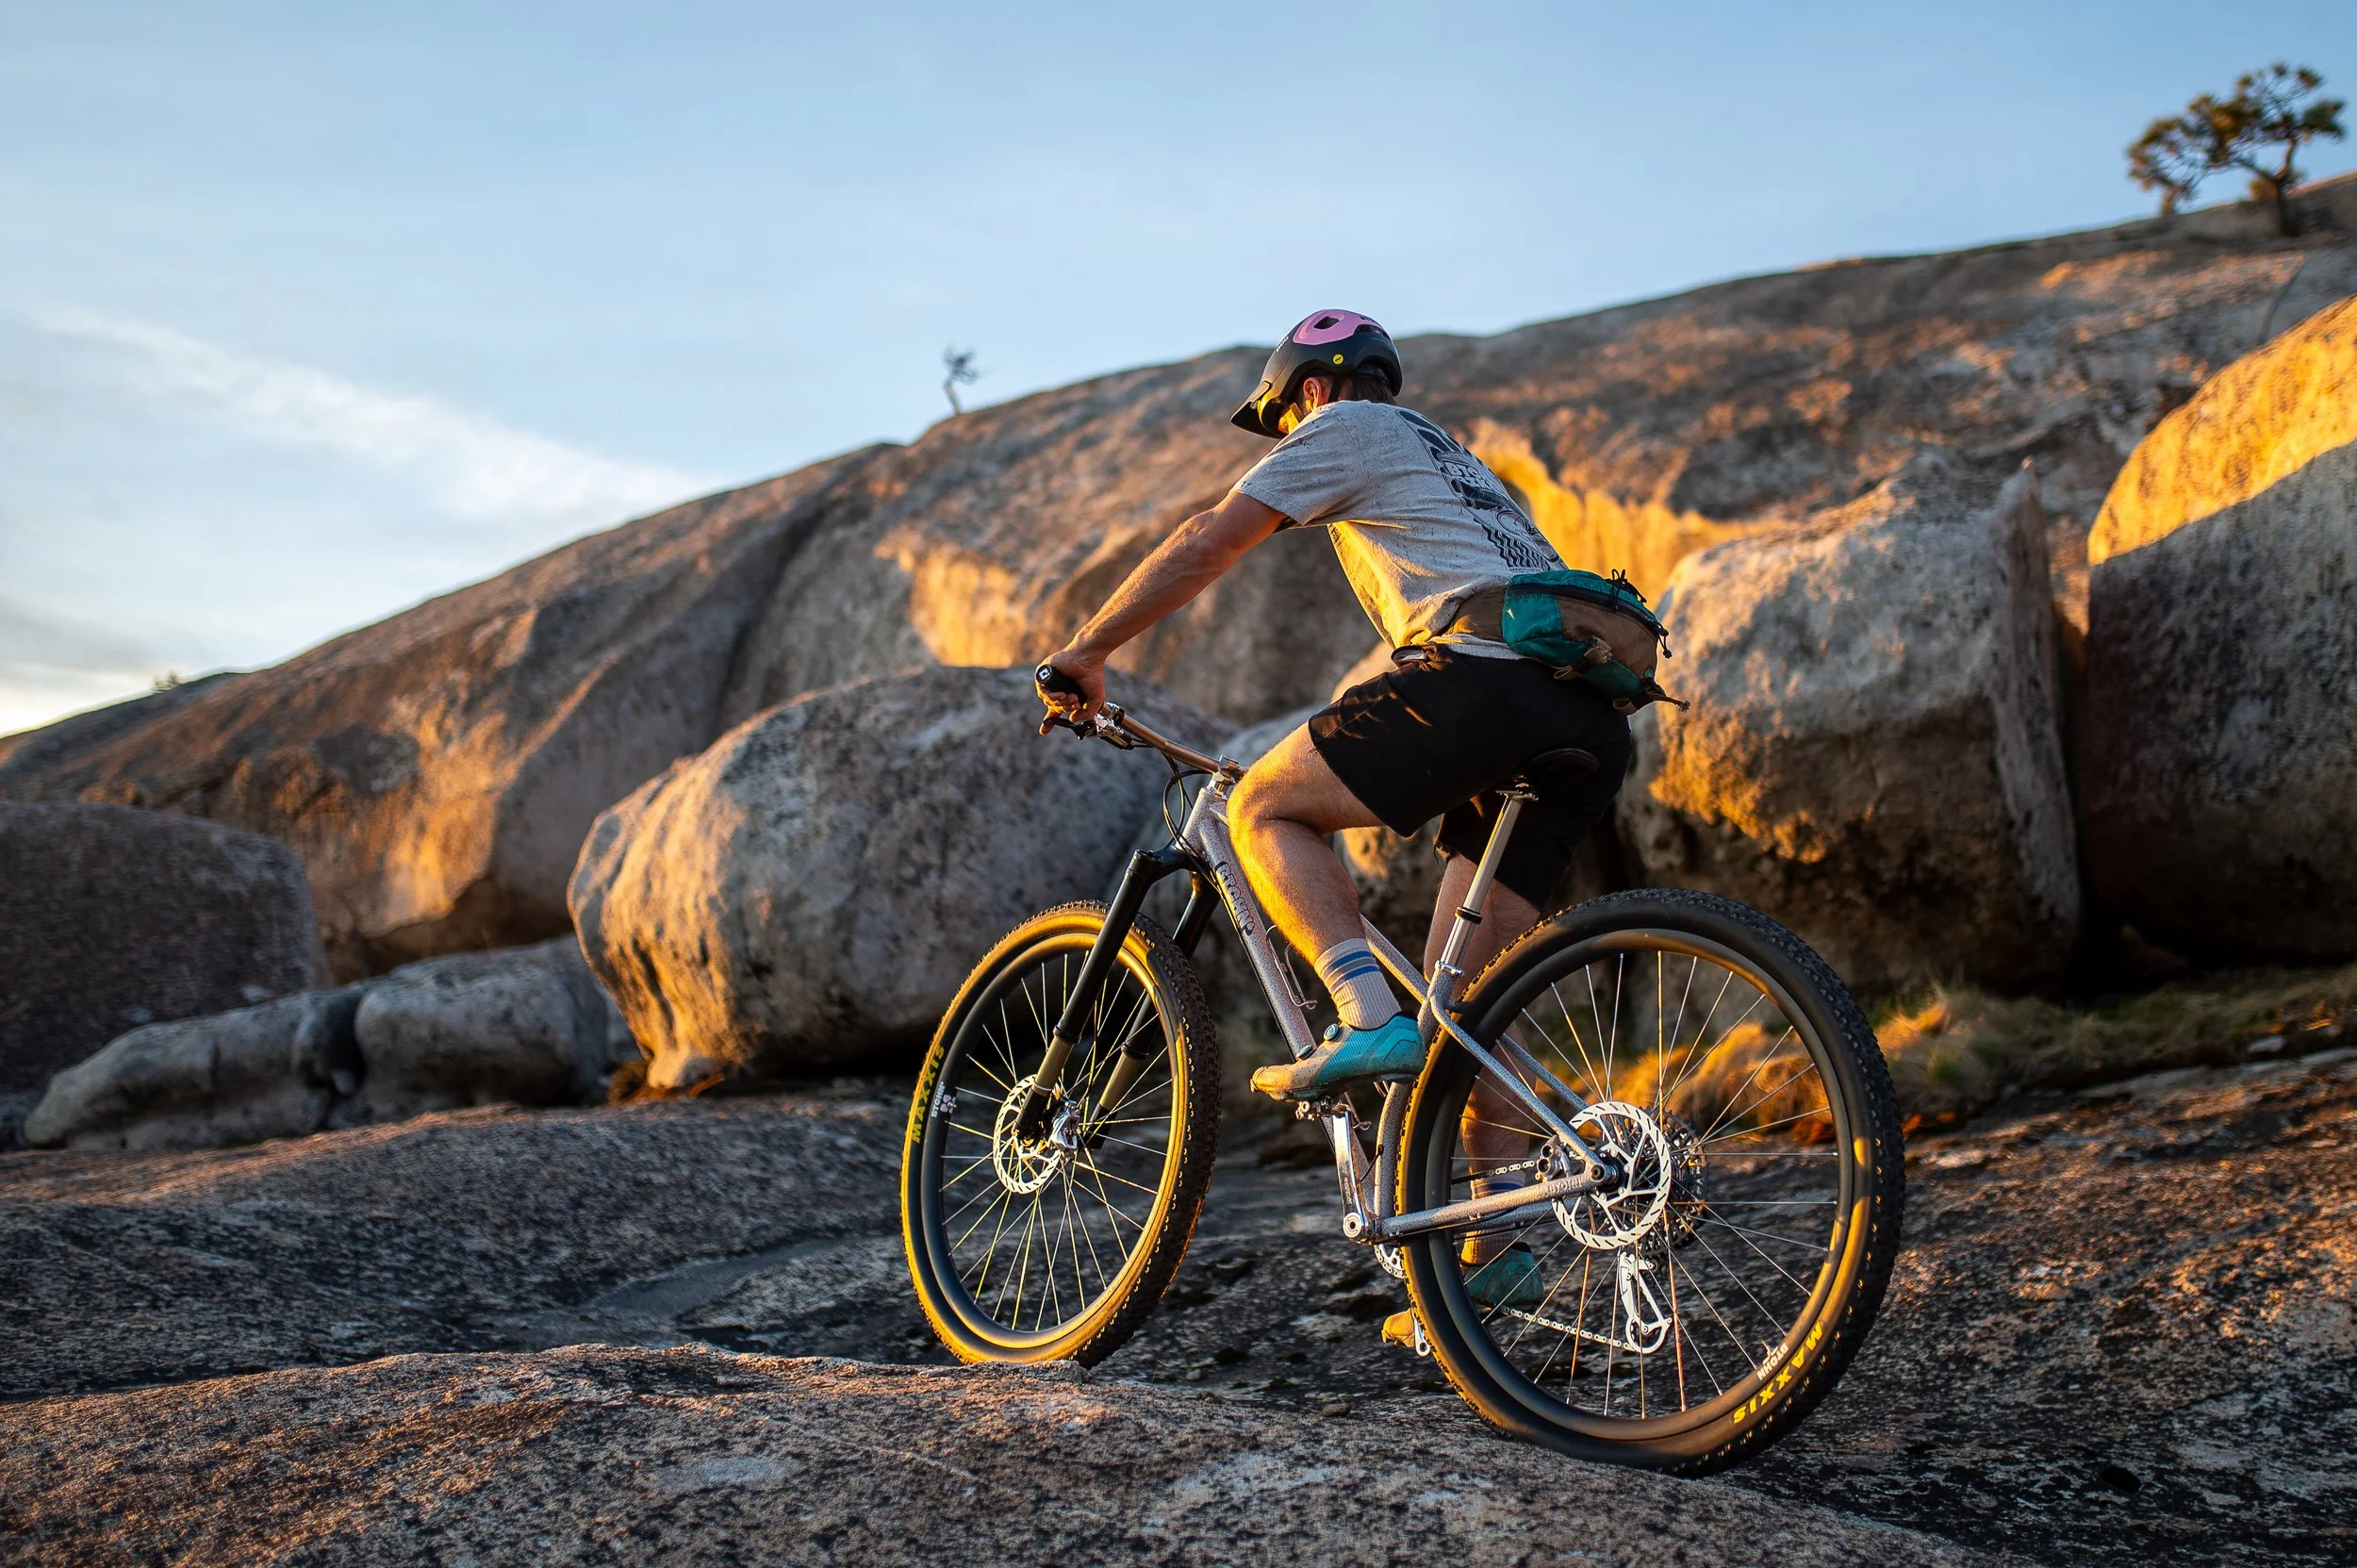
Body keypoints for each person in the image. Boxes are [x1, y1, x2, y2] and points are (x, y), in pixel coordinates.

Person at [1037, 309, 1633, 1312]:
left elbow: (1207, 540)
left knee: (1260, 806)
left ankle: (1360, 1013)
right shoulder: (1458, 461)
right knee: (1467, 1006)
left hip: (1483, 683)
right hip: (1587, 715)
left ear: (1310, 390)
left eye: (1282, 419)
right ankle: (1494, 1245)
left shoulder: (1344, 426)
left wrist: (1086, 651)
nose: (1286, 438)